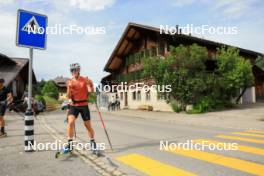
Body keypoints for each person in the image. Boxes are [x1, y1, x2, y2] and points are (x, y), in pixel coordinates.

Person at [66, 63, 97, 153]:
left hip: (84, 105)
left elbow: (91, 91)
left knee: (87, 126)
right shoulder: (70, 81)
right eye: (72, 70)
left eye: (75, 70)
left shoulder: (84, 80)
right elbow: (68, 96)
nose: (73, 72)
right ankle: (70, 143)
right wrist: (68, 87)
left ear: (79, 70)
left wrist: (91, 84)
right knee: (70, 122)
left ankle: (92, 141)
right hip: (74, 105)